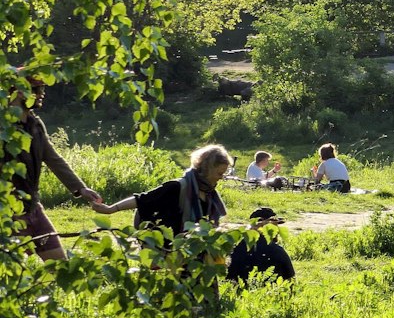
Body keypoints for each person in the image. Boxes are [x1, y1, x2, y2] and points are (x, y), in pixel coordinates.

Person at [6, 82, 103, 260]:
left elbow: (53, 159)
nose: (42, 94)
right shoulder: (4, 125)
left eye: (42, 89)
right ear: (19, 92)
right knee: (15, 274)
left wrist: (81, 189)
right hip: (9, 212)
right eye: (36, 90)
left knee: (59, 267)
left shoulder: (35, 124)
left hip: (34, 208)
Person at [96, 144, 232, 234]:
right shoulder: (177, 187)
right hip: (170, 250)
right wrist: (110, 209)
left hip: (194, 250)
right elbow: (143, 200)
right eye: (219, 173)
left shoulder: (209, 194)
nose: (221, 178)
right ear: (207, 168)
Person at [228, 207, 296, 283]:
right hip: (271, 292)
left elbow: (228, 278)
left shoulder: (236, 248)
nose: (277, 230)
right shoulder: (277, 251)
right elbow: (291, 281)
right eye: (274, 226)